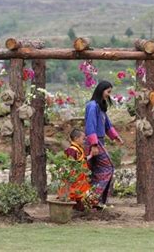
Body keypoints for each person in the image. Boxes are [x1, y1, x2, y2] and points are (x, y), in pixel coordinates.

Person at [85, 80, 124, 208]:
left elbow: (107, 125)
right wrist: (94, 145)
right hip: (94, 143)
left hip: (99, 141)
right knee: (107, 168)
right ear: (101, 90)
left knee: (95, 171)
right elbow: (90, 125)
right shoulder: (92, 106)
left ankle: (94, 202)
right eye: (108, 92)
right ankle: (93, 199)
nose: (109, 95)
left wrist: (116, 137)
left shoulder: (100, 107)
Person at [58, 128, 92, 211]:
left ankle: (80, 208)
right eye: (83, 138)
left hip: (80, 176)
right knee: (74, 191)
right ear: (76, 139)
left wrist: (91, 155)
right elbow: (71, 164)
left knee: (81, 191)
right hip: (74, 177)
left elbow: (82, 159)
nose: (84, 140)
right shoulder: (72, 150)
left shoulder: (78, 149)